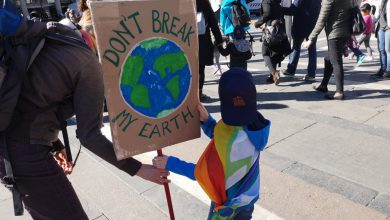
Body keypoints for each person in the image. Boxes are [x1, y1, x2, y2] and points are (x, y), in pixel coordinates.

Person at [0, 1, 169, 219]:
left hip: (11, 146)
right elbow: (90, 136)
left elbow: (31, 95)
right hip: (24, 154)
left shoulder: (60, 34)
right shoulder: (89, 64)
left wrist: (54, 143)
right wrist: (138, 169)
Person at [153, 68, 271, 220]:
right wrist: (207, 121)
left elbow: (203, 173)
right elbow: (222, 137)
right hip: (248, 201)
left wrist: (170, 163)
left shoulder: (234, 140)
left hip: (228, 205)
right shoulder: (255, 127)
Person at [305, 0, 353, 100]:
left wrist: (311, 38)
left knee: (336, 62)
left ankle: (339, 91)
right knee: (328, 58)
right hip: (345, 32)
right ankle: (324, 85)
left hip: (335, 34)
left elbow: (321, 20)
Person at [281, 0, 321, 82]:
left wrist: (280, 9)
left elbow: (293, 9)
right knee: (312, 49)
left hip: (300, 25)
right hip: (313, 24)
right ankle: (311, 74)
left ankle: (291, 70)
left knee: (296, 47)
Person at [197, 0, 224, 101]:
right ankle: (199, 93)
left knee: (187, 68)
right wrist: (219, 41)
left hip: (186, 42)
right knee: (200, 69)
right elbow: (214, 25)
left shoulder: (183, 4)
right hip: (203, 42)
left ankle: (188, 93)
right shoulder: (204, 4)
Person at [254, 0, 284, 85]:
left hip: (271, 30)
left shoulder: (267, 1)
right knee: (273, 53)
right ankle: (272, 77)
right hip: (278, 28)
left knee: (265, 52)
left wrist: (258, 23)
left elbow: (267, 13)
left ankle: (274, 73)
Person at [371, 0, 390, 79]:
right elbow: (377, 14)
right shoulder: (380, 1)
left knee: (388, 50)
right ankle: (383, 68)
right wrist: (373, 23)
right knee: (381, 49)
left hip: (388, 27)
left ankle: (388, 71)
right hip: (380, 27)